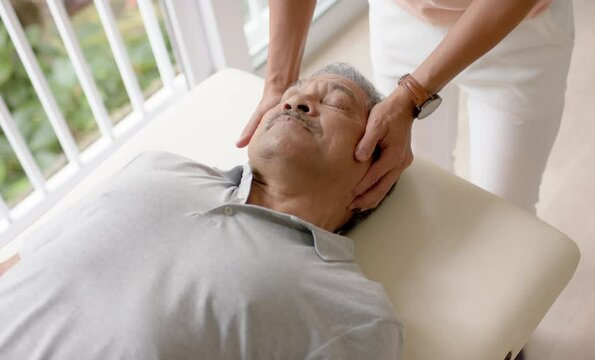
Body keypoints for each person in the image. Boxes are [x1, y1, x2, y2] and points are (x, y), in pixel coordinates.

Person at [0, 63, 403, 359]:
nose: (297, 101)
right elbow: (22, 261)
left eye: (336, 102)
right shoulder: (157, 167)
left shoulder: (351, 310)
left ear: (376, 170)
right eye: (290, 94)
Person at [237, 0, 575, 215]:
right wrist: (279, 84)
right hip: (402, 17)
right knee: (417, 181)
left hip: (517, 28)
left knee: (508, 208)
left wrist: (410, 95)